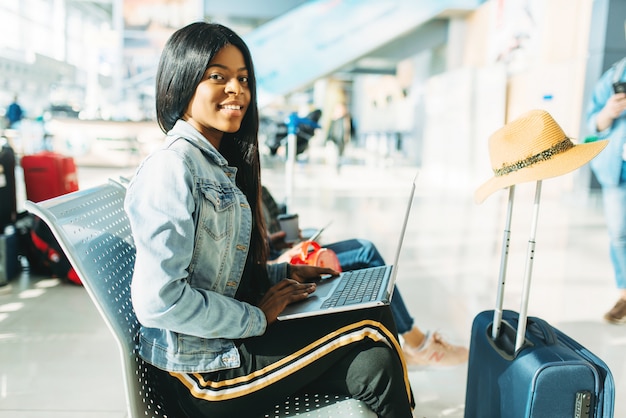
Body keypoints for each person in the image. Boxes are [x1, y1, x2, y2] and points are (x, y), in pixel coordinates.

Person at [124, 22, 415, 417]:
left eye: (243, 79)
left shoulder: (216, 164)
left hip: (226, 349)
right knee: (372, 317)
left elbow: (220, 275)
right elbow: (159, 301)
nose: (236, 89)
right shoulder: (171, 168)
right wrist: (257, 317)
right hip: (204, 374)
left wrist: (282, 275)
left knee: (374, 366)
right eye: (218, 77)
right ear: (182, 81)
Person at [262, 186, 469, 368]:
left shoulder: (252, 179)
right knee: (366, 254)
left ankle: (409, 344)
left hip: (276, 256)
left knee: (363, 251)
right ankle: (415, 344)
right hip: (272, 266)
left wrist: (272, 243)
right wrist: (275, 263)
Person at [586, 56, 626, 324]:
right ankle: (625, 296)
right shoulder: (616, 74)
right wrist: (607, 114)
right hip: (618, 171)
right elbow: (591, 124)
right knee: (620, 236)